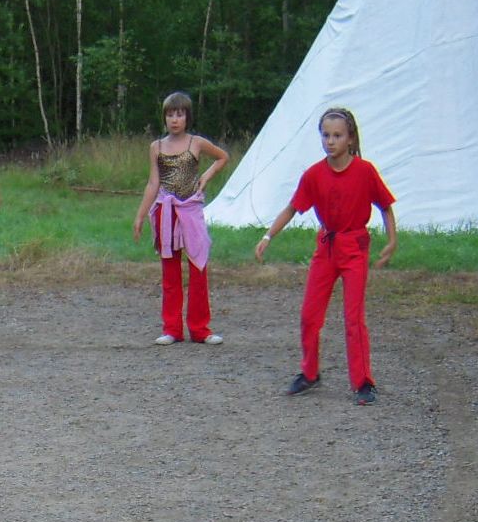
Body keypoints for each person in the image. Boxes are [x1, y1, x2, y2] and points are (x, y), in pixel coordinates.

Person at [254, 108, 397, 406]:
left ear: (350, 138)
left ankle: (363, 381)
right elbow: (293, 207)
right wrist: (268, 236)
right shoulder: (314, 174)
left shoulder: (364, 171)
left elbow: (385, 206)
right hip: (327, 247)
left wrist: (391, 241)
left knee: (353, 318)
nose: (330, 141)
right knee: (309, 314)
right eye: (325, 135)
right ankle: (310, 372)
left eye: (337, 136)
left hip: (354, 246)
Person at [133, 91, 229, 345]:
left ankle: (200, 329)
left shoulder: (196, 143)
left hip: (190, 210)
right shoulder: (156, 147)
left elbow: (222, 157)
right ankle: (172, 328)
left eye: (180, 114)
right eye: (170, 115)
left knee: (198, 266)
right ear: (164, 117)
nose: (175, 120)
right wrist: (140, 215)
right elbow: (153, 182)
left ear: (187, 117)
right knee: (170, 270)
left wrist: (206, 176)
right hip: (166, 210)